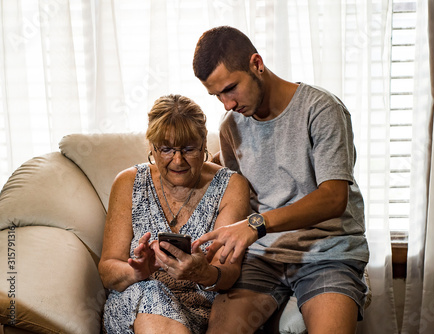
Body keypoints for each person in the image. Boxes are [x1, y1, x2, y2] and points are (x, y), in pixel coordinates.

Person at [192, 26, 370, 334]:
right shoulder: (230, 127)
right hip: (263, 257)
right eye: (217, 95)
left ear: (256, 64)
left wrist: (256, 225)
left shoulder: (321, 109)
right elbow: (238, 193)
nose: (227, 104)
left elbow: (334, 198)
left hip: (328, 252)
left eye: (230, 88)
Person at [98, 94, 250, 334]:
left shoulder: (231, 186)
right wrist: (137, 271)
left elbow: (229, 274)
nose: (177, 161)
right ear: (152, 147)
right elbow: (107, 271)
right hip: (134, 307)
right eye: (167, 149)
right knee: (151, 292)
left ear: (203, 146)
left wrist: (203, 272)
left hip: (200, 312)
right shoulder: (129, 182)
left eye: (188, 149)